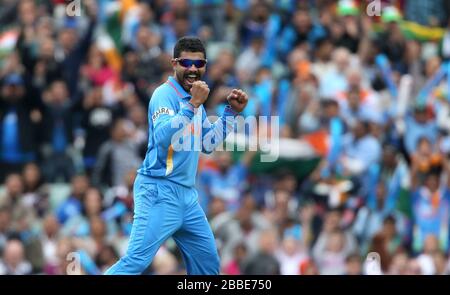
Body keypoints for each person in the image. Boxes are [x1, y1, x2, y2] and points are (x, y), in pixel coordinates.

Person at [105, 36, 248, 275]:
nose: (192, 69)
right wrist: (192, 105)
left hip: (187, 197)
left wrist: (231, 113)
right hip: (158, 190)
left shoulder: (195, 100)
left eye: (198, 64)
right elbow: (162, 137)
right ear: (174, 64)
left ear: (205, 66)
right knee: (136, 262)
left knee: (208, 266)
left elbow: (207, 144)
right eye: (186, 63)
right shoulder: (164, 95)